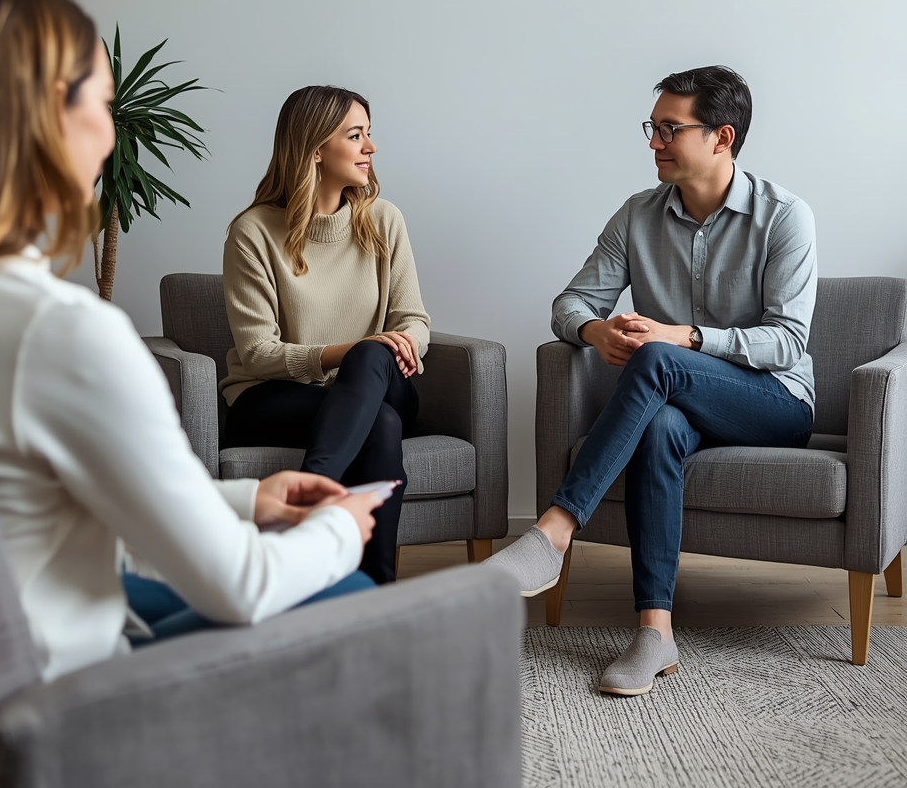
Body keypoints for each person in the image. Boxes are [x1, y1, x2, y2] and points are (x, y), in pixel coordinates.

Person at [0, 0, 386, 682]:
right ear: (53, 117)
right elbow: (243, 586)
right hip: (50, 702)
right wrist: (340, 530)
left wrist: (247, 496)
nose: (112, 131)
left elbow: (27, 496)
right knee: (350, 592)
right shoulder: (59, 334)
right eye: (107, 103)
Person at [488, 65, 816, 696]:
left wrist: (685, 338)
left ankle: (554, 531)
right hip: (678, 404)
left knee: (658, 359)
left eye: (671, 128)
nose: (654, 141)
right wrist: (596, 334)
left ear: (721, 137)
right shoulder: (637, 215)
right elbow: (570, 302)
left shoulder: (783, 217)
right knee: (660, 422)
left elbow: (788, 342)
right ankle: (655, 632)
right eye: (653, 127)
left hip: (773, 402)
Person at [221, 85, 431, 584]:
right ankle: (372, 592)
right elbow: (256, 352)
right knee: (378, 421)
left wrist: (394, 346)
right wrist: (351, 351)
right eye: (356, 136)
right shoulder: (252, 233)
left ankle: (311, 493)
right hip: (274, 399)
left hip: (381, 381)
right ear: (316, 149)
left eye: (369, 135)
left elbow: (414, 321)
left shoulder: (384, 221)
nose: (370, 148)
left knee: (372, 361)